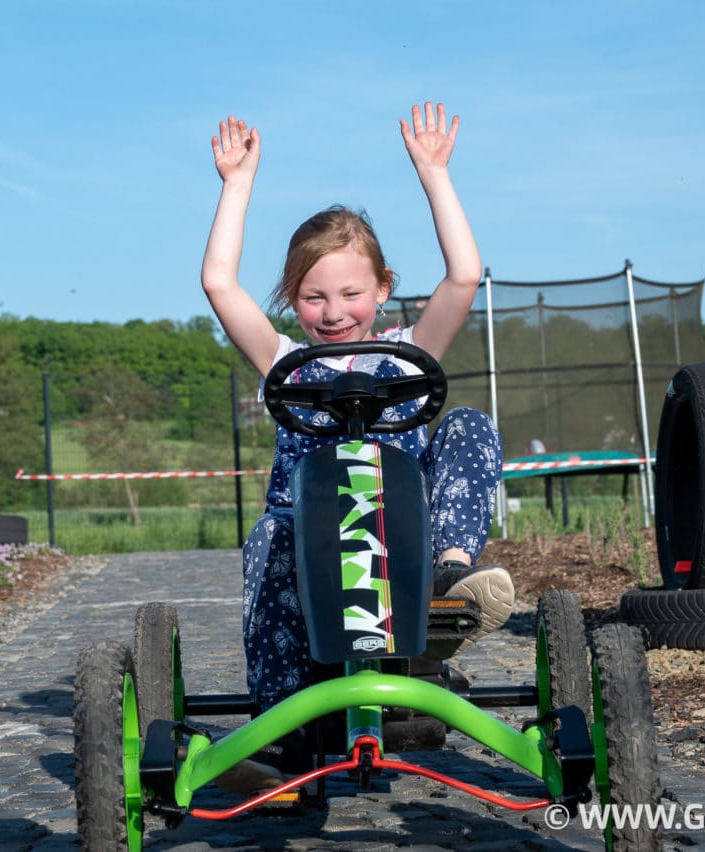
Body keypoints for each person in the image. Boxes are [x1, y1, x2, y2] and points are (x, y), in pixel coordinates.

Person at [201, 103, 513, 788]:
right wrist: (236, 184)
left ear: (383, 290)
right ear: (292, 300)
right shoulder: (283, 361)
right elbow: (219, 284)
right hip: (309, 530)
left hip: (402, 528)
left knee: (469, 425)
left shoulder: (408, 355)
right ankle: (282, 731)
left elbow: (463, 277)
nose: (334, 311)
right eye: (313, 297)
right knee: (267, 540)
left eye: (349, 293)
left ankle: (447, 577)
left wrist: (434, 174)